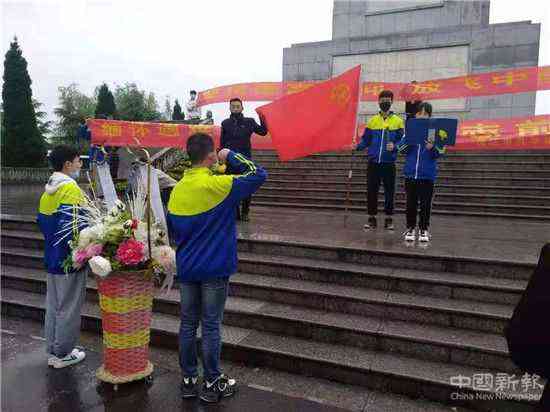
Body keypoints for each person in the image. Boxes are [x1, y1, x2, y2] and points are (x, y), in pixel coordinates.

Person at [167, 133, 267, 403]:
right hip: (214, 268)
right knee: (211, 325)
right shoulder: (220, 185)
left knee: (188, 324)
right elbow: (259, 174)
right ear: (211, 155)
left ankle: (189, 380)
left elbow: (173, 231)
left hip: (187, 268)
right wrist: (231, 155)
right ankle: (212, 381)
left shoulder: (177, 190)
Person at [37, 145, 87, 369]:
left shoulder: (48, 189)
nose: (80, 165)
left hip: (52, 256)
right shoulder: (70, 188)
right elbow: (73, 229)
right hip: (69, 260)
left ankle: (53, 349)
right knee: (69, 308)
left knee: (54, 305)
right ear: (67, 164)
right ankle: (64, 353)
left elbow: (42, 222)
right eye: (78, 161)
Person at [355, 90, 404, 231]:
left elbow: (403, 140)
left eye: (387, 100)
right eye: (382, 100)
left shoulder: (398, 121)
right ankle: (371, 219)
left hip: (389, 163)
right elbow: (366, 140)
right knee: (371, 191)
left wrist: (395, 146)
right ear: (378, 102)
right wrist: (357, 146)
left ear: (392, 101)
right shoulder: (372, 120)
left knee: (390, 192)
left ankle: (389, 220)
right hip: (373, 163)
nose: (385, 102)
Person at [398, 102, 444, 243]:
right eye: (419, 113)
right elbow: (401, 149)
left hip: (427, 175)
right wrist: (410, 142)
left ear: (430, 116)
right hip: (411, 174)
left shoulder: (434, 132)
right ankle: (410, 228)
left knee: (425, 204)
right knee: (410, 204)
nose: (422, 116)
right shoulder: (410, 131)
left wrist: (432, 147)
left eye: (425, 113)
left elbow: (440, 152)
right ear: (415, 115)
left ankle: (424, 229)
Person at [220, 97, 268, 221]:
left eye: (238, 106)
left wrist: (262, 117)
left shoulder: (250, 122)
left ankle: (245, 212)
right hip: (230, 160)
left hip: (245, 160)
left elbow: (263, 132)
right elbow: (222, 143)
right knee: (231, 187)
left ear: (242, 108)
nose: (235, 108)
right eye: (233, 106)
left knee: (247, 186)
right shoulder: (225, 123)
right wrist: (221, 160)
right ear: (230, 108)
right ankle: (235, 213)